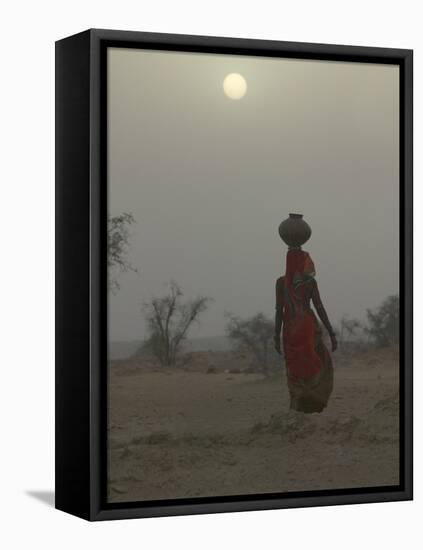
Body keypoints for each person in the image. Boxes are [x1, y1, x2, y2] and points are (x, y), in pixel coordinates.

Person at [274, 248, 337, 413]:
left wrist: (276, 335)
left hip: (290, 329)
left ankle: (298, 405)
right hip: (308, 327)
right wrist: (331, 332)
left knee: (294, 368)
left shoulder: (281, 282)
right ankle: (314, 404)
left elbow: (279, 310)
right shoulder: (309, 283)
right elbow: (319, 307)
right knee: (320, 362)